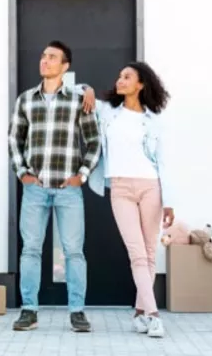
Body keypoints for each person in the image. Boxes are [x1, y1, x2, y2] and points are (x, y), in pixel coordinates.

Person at [75, 62, 174, 338]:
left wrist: (169, 201)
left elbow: (163, 163)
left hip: (150, 187)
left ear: (140, 84)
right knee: (137, 253)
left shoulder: (153, 120)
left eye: (127, 77)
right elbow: (75, 89)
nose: (120, 80)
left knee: (150, 254)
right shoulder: (108, 112)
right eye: (119, 76)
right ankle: (154, 316)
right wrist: (88, 89)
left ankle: (141, 313)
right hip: (120, 187)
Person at [8, 41, 101, 333]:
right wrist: (23, 173)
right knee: (31, 250)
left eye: (52, 57)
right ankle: (29, 311)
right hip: (35, 188)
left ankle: (77, 311)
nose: (44, 61)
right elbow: (14, 140)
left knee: (74, 251)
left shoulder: (78, 100)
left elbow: (94, 141)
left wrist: (82, 175)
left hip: (68, 189)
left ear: (65, 66)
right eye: (43, 56)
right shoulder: (25, 100)